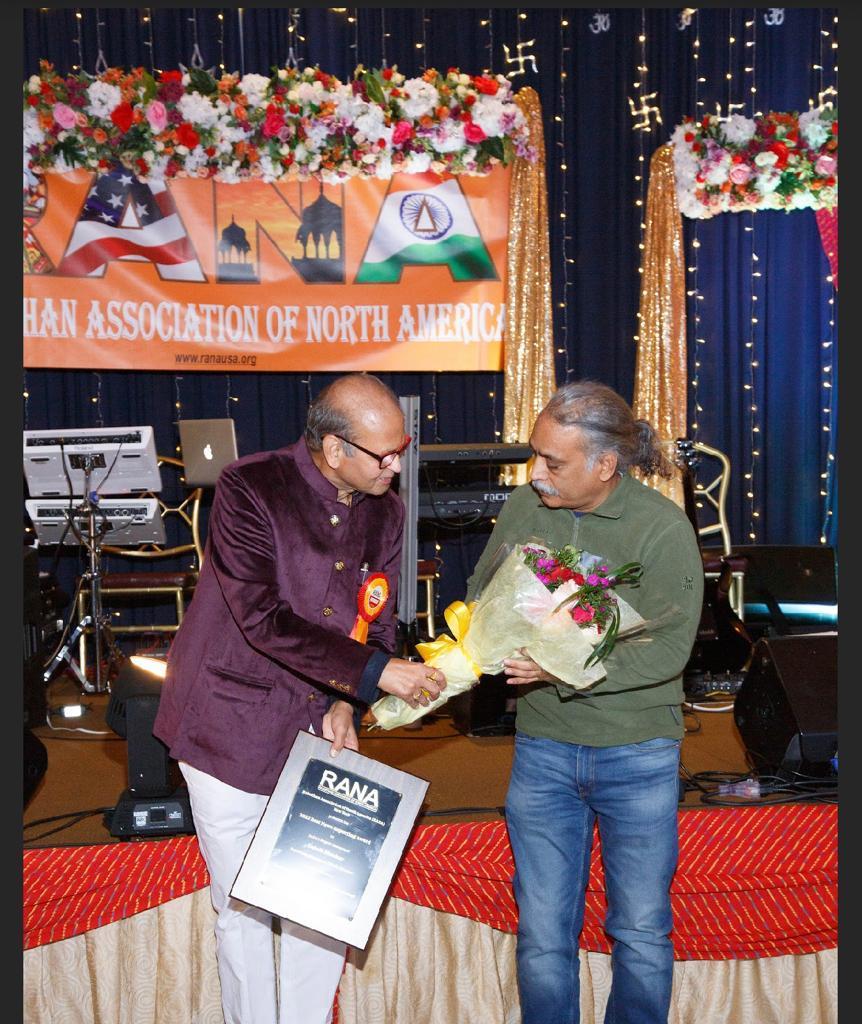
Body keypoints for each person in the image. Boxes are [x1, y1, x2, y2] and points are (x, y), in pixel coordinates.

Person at [153, 372, 446, 1024]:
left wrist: (350, 701)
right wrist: (376, 673)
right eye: (384, 454)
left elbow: (377, 617)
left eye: (402, 449)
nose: (397, 467)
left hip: (321, 729)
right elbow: (264, 619)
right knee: (246, 912)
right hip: (230, 726)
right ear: (335, 448)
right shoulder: (249, 487)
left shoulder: (387, 511)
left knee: (321, 908)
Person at [465, 381, 703, 1024]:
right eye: (534, 456)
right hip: (543, 752)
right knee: (543, 937)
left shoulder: (662, 527)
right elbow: (485, 592)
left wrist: (559, 665)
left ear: (605, 465)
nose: (535, 473)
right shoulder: (524, 506)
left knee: (642, 932)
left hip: (639, 755)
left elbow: (668, 651)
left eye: (553, 462)